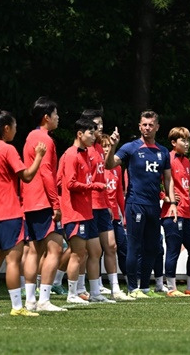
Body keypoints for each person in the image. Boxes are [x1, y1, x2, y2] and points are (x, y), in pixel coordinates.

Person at [0, 108, 45, 317]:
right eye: (14, 127)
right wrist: (38, 157)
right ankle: (17, 307)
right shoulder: (7, 149)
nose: (16, 131)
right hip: (9, 212)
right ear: (6, 128)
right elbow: (26, 176)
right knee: (13, 262)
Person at [105, 110, 178, 298]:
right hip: (135, 203)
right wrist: (113, 146)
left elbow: (168, 179)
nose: (147, 127)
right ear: (139, 126)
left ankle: (145, 287)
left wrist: (172, 202)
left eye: (150, 124)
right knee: (134, 246)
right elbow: (110, 165)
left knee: (153, 247)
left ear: (157, 127)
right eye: (144, 124)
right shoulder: (130, 148)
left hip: (154, 205)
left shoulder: (163, 151)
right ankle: (132, 288)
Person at [81, 109, 132, 302]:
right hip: (87, 205)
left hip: (103, 206)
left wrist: (114, 145)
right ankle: (78, 289)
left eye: (101, 124)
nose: (100, 127)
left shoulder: (102, 149)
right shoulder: (83, 149)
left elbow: (111, 167)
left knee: (110, 246)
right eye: (96, 124)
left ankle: (115, 289)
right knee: (85, 251)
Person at [22, 97, 67, 312]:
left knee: (33, 251)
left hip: (30, 200)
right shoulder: (45, 140)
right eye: (56, 114)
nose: (58, 118)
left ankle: (31, 300)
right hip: (43, 200)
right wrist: (55, 204)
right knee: (56, 248)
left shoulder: (30, 136)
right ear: (46, 117)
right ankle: (44, 299)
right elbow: (47, 173)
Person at [59, 118, 111, 304]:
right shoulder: (71, 155)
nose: (93, 135)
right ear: (80, 134)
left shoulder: (85, 154)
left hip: (87, 213)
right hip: (75, 213)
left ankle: (95, 292)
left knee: (95, 251)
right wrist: (93, 186)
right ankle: (72, 293)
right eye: (90, 132)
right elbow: (69, 184)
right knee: (78, 253)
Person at [160, 127, 190, 297]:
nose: (187, 144)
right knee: (173, 249)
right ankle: (171, 288)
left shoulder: (187, 162)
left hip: (186, 212)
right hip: (172, 213)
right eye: (183, 140)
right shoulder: (166, 158)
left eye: (188, 140)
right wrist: (165, 196)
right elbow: (153, 181)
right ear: (173, 142)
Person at [100, 135, 128, 285]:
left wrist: (125, 215)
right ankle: (98, 283)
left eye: (108, 146)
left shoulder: (117, 167)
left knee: (122, 247)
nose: (106, 149)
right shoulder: (97, 166)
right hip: (101, 212)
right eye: (103, 146)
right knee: (98, 250)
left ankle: (130, 280)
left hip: (115, 216)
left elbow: (119, 194)